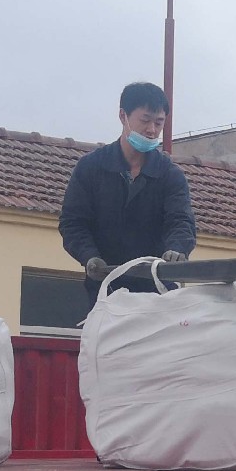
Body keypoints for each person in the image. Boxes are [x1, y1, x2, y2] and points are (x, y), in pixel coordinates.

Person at [59, 81, 198, 307]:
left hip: (158, 294)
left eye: (159, 122)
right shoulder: (91, 168)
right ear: (123, 116)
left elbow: (181, 221)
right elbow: (73, 223)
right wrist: (90, 257)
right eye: (145, 120)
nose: (152, 130)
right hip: (105, 290)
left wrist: (177, 249)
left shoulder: (170, 175)